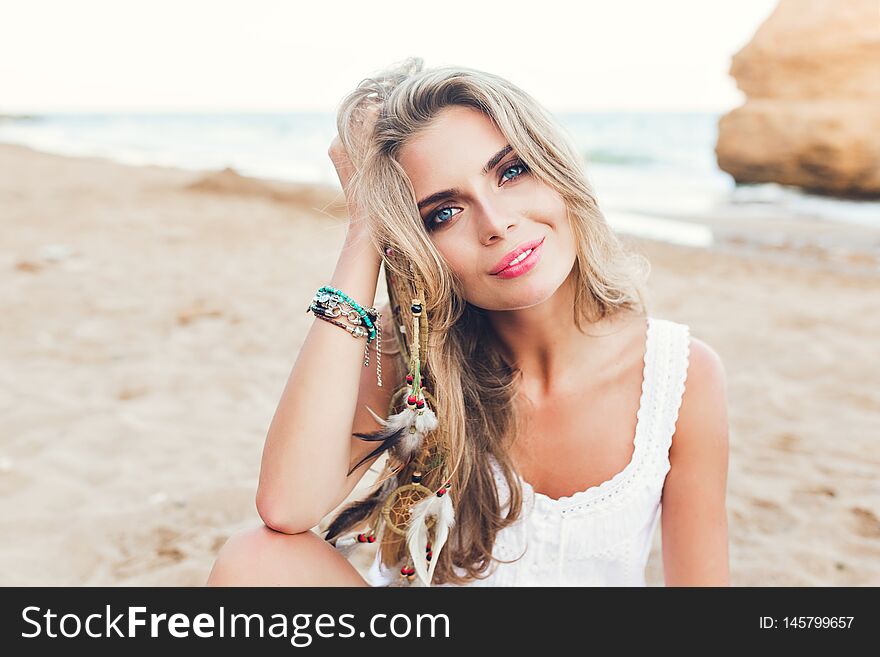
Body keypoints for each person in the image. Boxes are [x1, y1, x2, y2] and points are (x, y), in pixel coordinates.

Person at [206, 57, 730, 587]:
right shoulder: (410, 359)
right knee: (254, 561)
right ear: (416, 245)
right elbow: (287, 505)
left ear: (557, 169)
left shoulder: (678, 377)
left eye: (511, 171)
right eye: (443, 213)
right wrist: (366, 225)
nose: (496, 223)